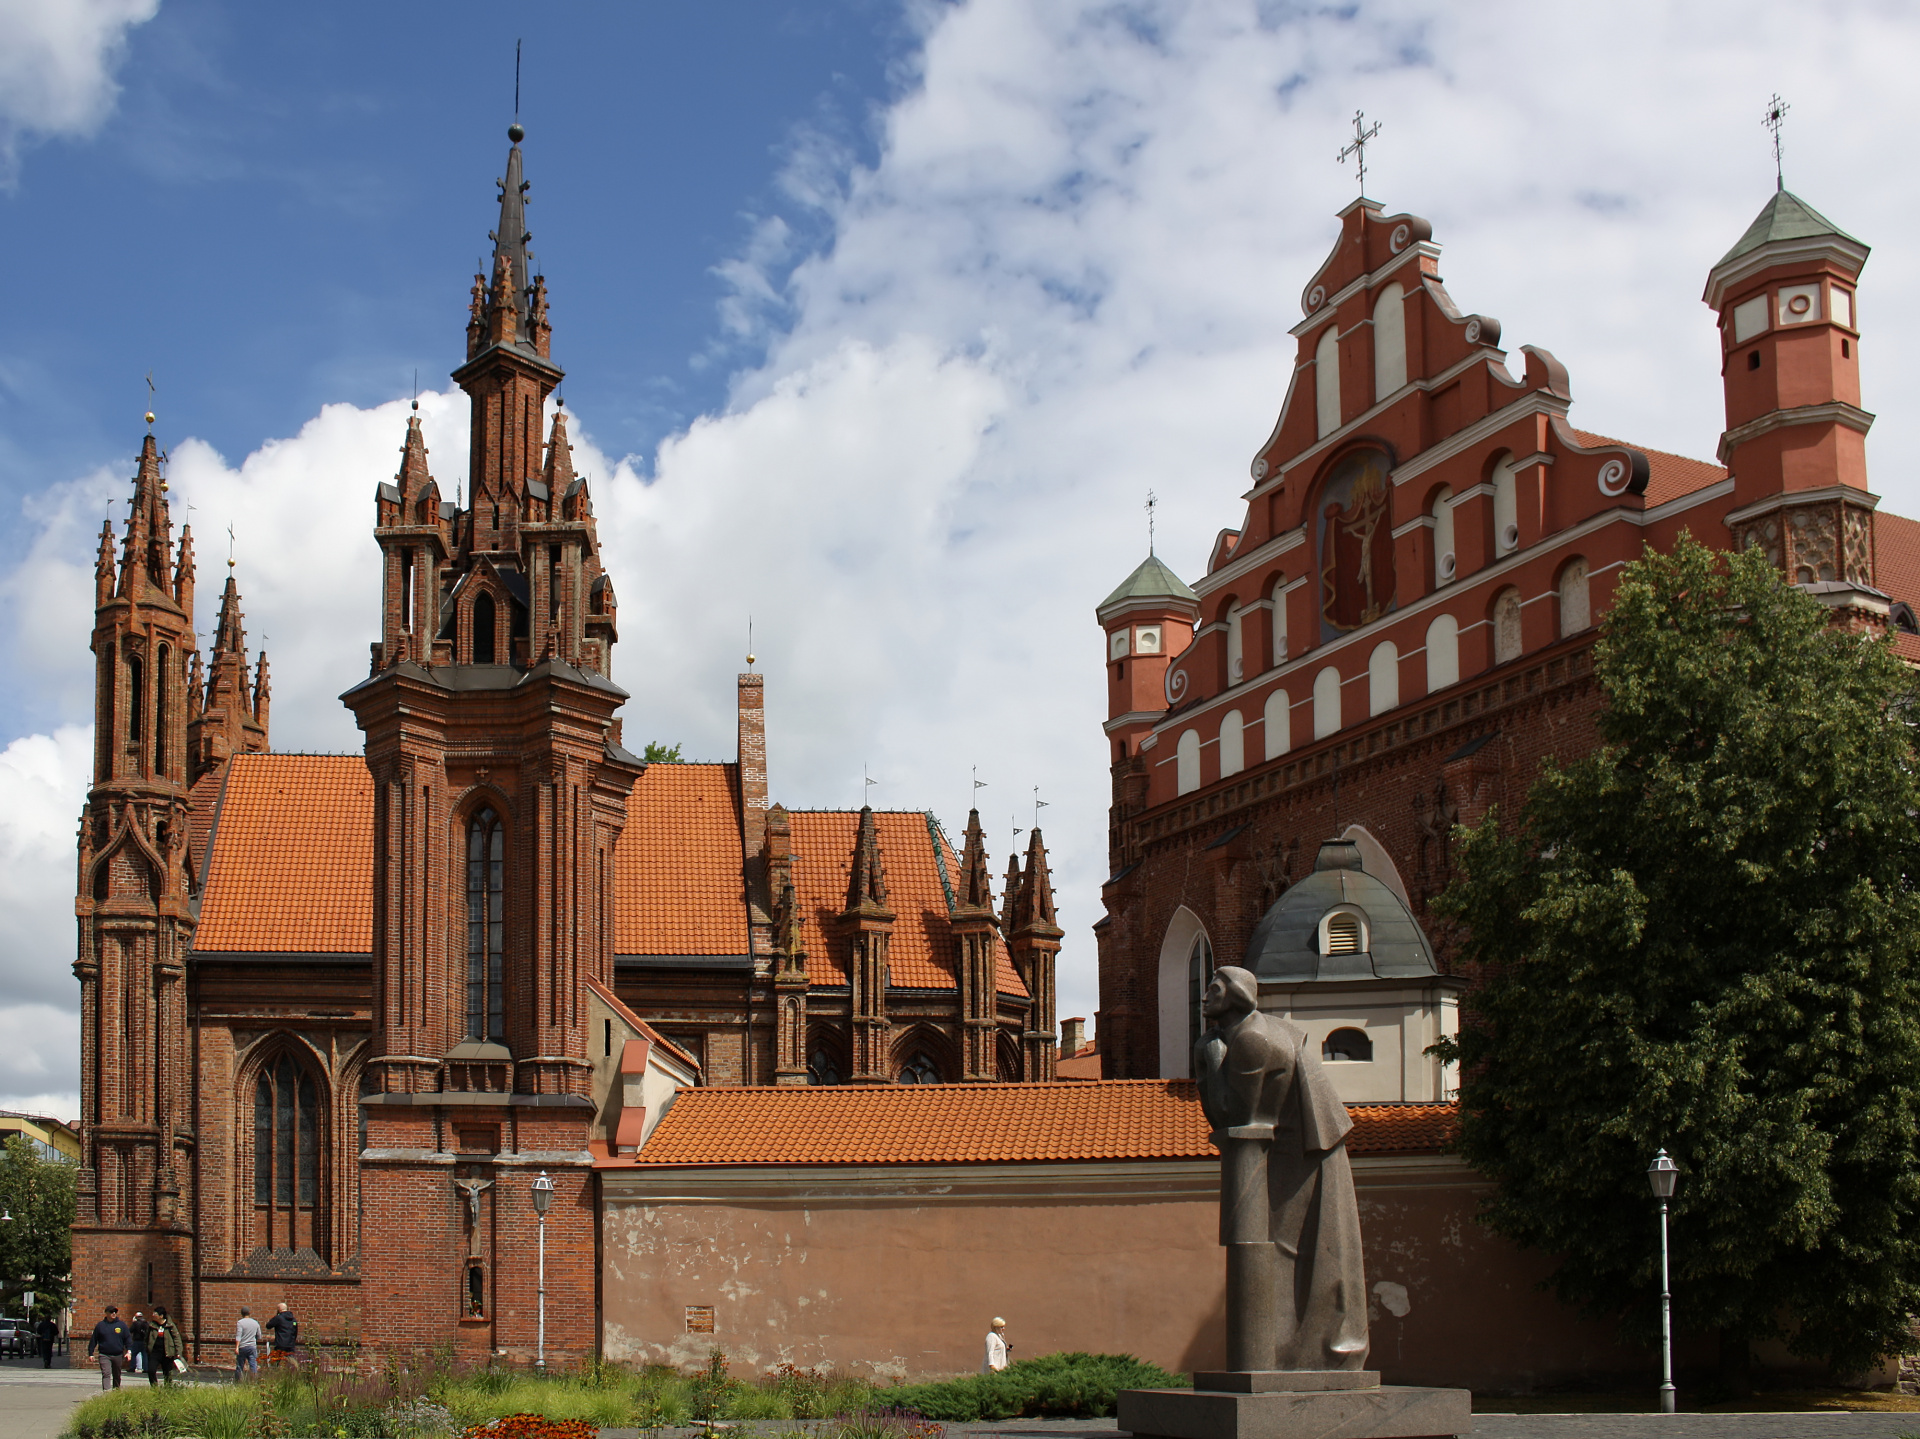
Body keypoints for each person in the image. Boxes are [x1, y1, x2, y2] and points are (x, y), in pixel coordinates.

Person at [86, 1304, 129, 1390]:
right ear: (106, 1313)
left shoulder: (121, 1325)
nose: (113, 1313)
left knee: (117, 1374)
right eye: (111, 1312)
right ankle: (106, 1392)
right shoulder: (100, 1326)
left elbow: (127, 1339)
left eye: (115, 1312)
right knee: (106, 1373)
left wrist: (129, 1351)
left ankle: (116, 1391)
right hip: (104, 1354)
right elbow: (94, 1340)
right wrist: (91, 1353)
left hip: (118, 1354)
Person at [148, 1306, 182, 1385]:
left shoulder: (170, 1326)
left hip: (167, 1353)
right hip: (155, 1352)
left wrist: (178, 1352)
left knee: (167, 1373)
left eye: (155, 1313)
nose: (153, 1315)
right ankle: (154, 1387)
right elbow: (146, 1338)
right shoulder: (151, 1326)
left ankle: (168, 1388)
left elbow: (177, 1339)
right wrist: (147, 1349)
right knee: (151, 1370)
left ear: (161, 1316)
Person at [264, 1302, 299, 1370]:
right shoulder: (293, 1320)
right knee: (292, 1362)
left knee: (276, 1362)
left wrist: (276, 1316)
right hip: (290, 1344)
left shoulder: (279, 1318)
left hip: (280, 1344)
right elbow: (295, 1332)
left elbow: (268, 1325)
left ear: (279, 1309)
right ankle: (294, 1373)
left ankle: (275, 1373)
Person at [234, 1306, 261, 1381]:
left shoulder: (240, 1323)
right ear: (250, 1313)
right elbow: (259, 1335)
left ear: (241, 1313)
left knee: (240, 1365)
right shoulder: (255, 1323)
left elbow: (238, 1336)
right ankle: (253, 1381)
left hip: (243, 1347)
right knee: (253, 1365)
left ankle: (238, 1381)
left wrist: (236, 1347)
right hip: (252, 1347)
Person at [128, 1311, 150, 1377]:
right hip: (144, 1341)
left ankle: (132, 1367)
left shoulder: (135, 1323)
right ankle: (146, 1368)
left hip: (137, 1341)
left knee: (134, 1354)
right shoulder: (146, 1323)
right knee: (145, 1355)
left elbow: (130, 1330)